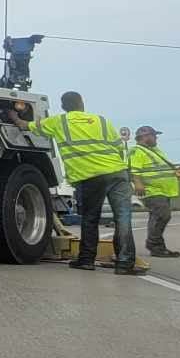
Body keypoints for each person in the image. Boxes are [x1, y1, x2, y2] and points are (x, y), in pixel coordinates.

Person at [21, 92, 138, 275]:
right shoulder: (101, 120)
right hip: (117, 173)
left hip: (90, 176)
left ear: (63, 106)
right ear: (82, 103)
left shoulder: (59, 121)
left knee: (91, 219)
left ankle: (86, 260)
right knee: (123, 219)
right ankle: (124, 264)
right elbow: (117, 146)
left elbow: (27, 126)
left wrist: (13, 117)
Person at [129, 126, 180, 258]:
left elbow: (161, 169)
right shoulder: (137, 151)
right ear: (144, 137)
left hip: (163, 191)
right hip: (152, 190)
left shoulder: (155, 151)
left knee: (159, 216)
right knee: (162, 215)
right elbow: (134, 169)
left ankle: (157, 246)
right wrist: (137, 183)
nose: (156, 138)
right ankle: (155, 245)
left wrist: (177, 173)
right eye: (154, 135)